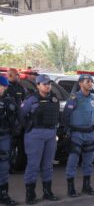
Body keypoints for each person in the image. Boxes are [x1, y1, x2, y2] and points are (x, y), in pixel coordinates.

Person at [19, 74, 60, 205]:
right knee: (33, 165)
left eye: (49, 84)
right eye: (44, 84)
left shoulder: (54, 99)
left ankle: (47, 191)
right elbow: (21, 115)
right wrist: (30, 128)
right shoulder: (31, 99)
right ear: (38, 85)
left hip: (50, 134)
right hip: (35, 134)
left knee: (48, 165)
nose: (48, 86)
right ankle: (30, 194)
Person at [63, 74, 94, 197]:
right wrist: (67, 132)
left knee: (89, 161)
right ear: (80, 83)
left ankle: (86, 186)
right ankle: (71, 188)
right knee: (73, 161)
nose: (90, 83)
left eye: (91, 81)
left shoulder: (93, 97)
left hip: (90, 134)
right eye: (88, 81)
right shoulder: (74, 98)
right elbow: (65, 116)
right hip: (76, 134)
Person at [0, 76, 17, 205]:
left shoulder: (8, 101)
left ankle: (3, 194)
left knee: (4, 166)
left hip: (4, 136)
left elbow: (16, 118)